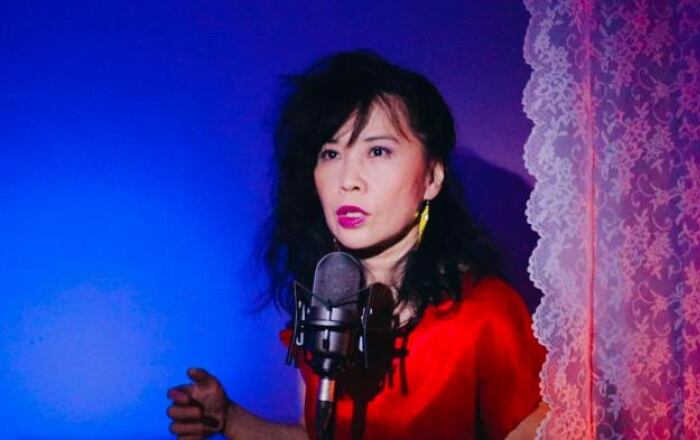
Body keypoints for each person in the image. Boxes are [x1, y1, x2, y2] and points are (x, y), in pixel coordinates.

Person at [166, 50, 548, 440]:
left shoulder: (485, 314)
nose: (348, 179)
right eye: (330, 153)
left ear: (432, 178)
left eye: (377, 151)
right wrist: (229, 418)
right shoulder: (326, 309)